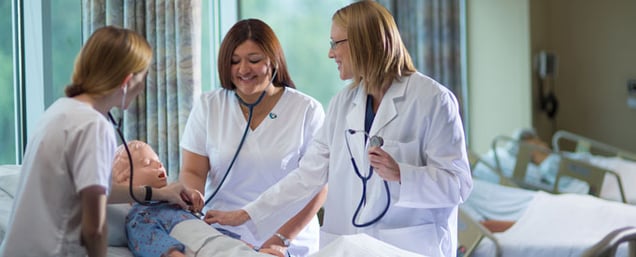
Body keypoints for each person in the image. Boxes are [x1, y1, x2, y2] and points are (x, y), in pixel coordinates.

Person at [204, 2, 472, 257]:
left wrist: (403, 174)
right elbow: (307, 176)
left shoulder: (432, 100)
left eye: (336, 43)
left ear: (362, 41)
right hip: (349, 244)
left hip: (407, 246)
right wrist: (248, 213)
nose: (330, 53)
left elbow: (458, 185)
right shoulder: (343, 103)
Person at [0, 26, 198, 257]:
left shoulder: (58, 111)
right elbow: (93, 228)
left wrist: (161, 193)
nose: (142, 88)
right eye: (142, 78)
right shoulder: (94, 126)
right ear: (126, 81)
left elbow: (98, 190)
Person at [178, 19, 328, 257]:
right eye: (234, 61)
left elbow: (319, 186)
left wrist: (281, 238)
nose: (243, 69)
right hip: (221, 235)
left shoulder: (307, 110)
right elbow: (194, 171)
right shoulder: (209, 106)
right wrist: (192, 205)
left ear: (273, 60)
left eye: (254, 60)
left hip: (287, 238)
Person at [111, 141, 285, 257]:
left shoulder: (177, 207)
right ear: (126, 180)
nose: (159, 165)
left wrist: (258, 249)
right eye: (147, 163)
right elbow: (163, 250)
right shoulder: (141, 218)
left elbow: (218, 237)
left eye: (159, 161)